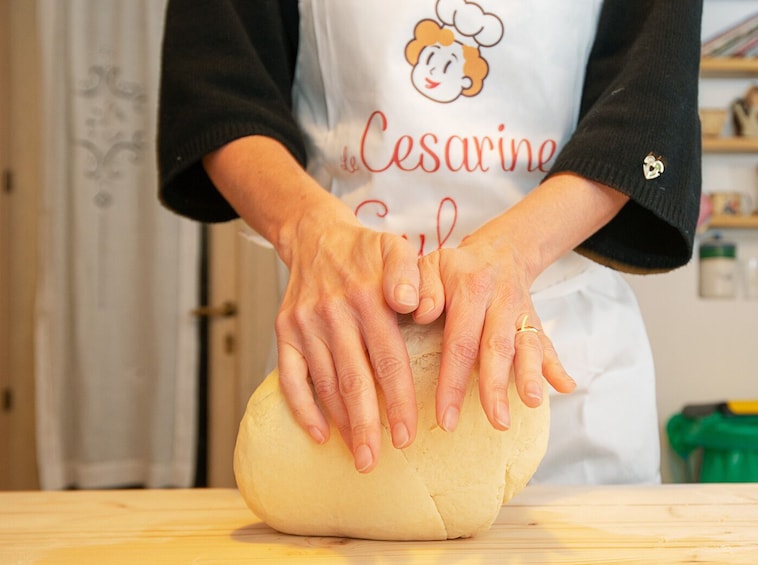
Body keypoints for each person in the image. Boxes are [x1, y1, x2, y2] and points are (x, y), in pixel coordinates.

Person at [157, 0, 703, 484]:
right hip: (342, 341)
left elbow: (650, 108)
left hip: (566, 359)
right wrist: (309, 230)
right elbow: (219, 87)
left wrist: (514, 252)